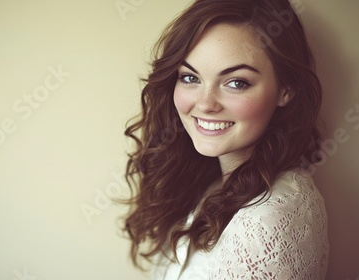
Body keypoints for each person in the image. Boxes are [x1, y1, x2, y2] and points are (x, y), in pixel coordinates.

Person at [122, 0, 329, 279]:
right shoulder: (211, 183)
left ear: (286, 89)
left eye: (236, 82)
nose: (206, 104)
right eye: (189, 77)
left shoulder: (270, 219)